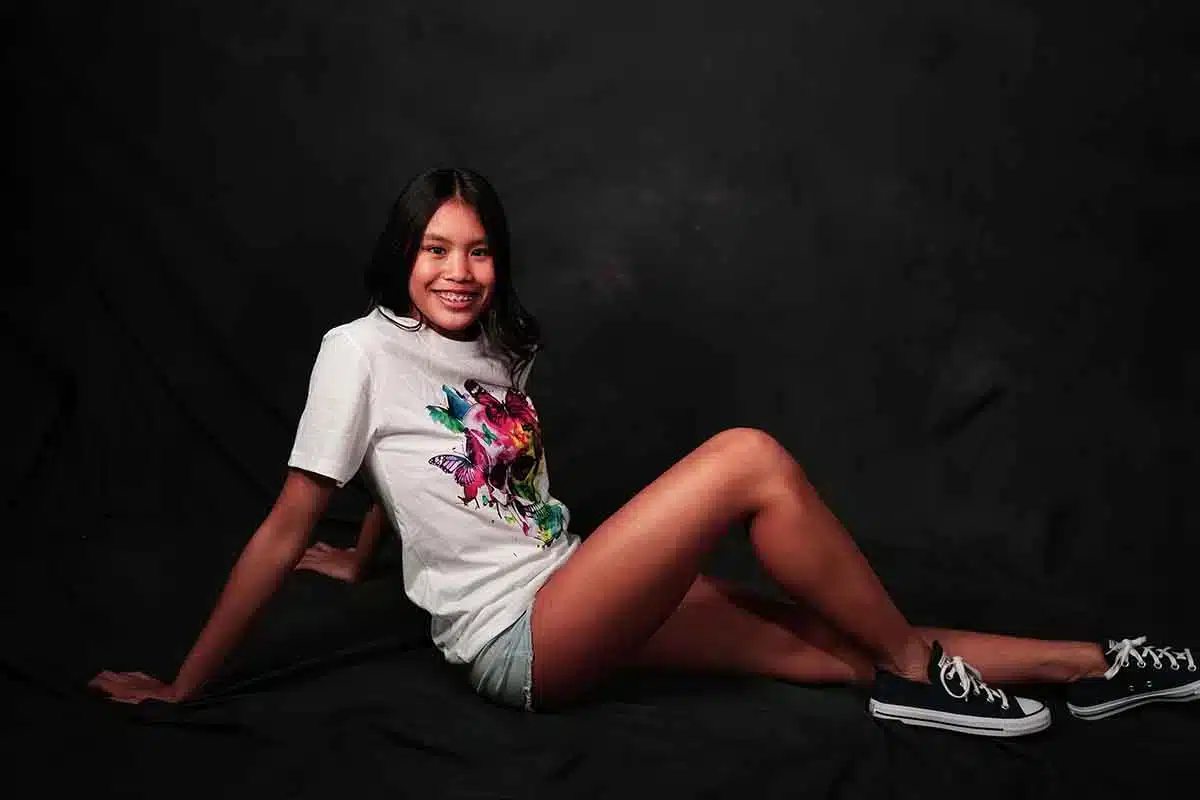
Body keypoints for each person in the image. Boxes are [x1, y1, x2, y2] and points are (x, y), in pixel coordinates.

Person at [89, 167, 1199, 736]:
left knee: (838, 641)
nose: (459, 272)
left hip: (581, 585)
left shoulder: (501, 349)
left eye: (479, 251)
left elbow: (429, 462)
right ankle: (923, 682)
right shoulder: (358, 349)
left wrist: (368, 555)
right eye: (436, 249)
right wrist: (184, 688)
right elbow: (290, 518)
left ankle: (1098, 666)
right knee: (749, 458)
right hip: (521, 639)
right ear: (402, 255)